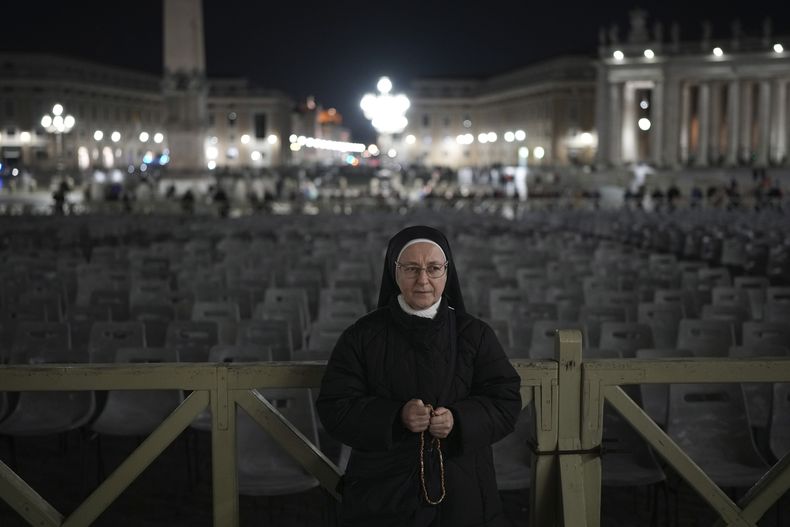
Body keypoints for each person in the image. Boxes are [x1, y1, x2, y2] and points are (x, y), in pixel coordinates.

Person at [316, 226, 522, 527]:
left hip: (463, 490)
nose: (423, 280)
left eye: (433, 268)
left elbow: (505, 401)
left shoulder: (475, 335)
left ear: (447, 272)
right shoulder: (361, 337)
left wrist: (458, 419)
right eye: (411, 268)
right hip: (383, 491)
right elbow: (335, 406)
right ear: (394, 271)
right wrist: (395, 416)